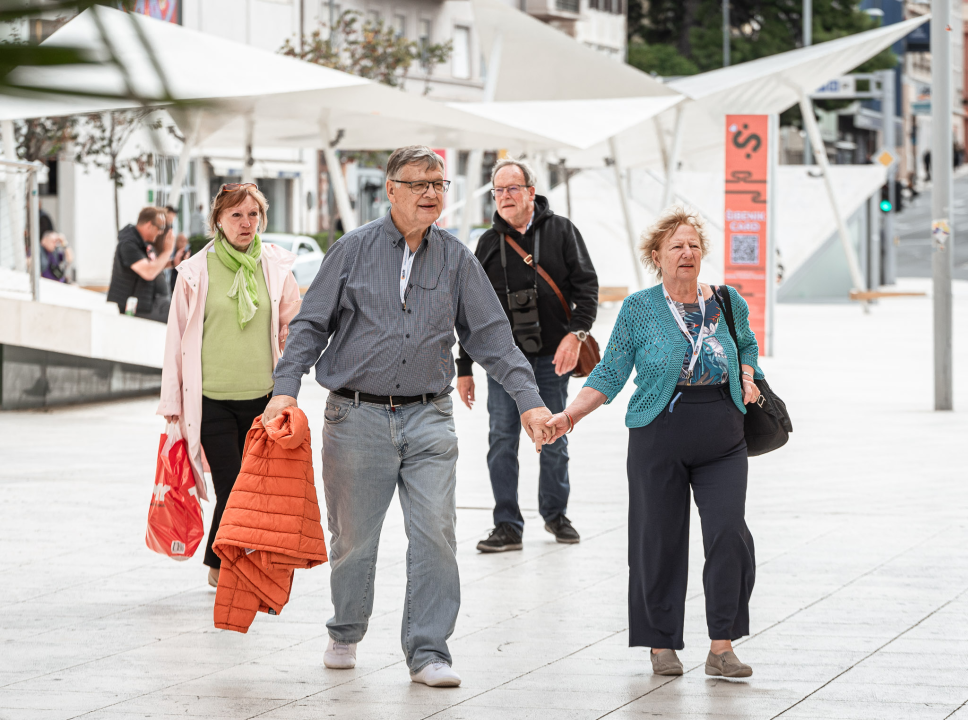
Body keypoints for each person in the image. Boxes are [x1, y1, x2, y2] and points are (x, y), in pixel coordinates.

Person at [263, 146, 554, 688]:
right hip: (356, 417)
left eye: (439, 185)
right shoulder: (351, 250)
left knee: (436, 533)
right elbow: (309, 325)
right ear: (390, 190)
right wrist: (285, 390)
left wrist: (529, 400)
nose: (431, 194)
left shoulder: (456, 258)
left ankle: (428, 651)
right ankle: (346, 629)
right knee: (353, 539)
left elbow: (492, 336)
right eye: (419, 184)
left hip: (429, 418)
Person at [545, 207, 764, 679]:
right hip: (659, 430)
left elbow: (746, 344)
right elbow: (612, 369)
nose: (687, 253)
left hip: (722, 431)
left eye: (693, 245)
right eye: (676, 246)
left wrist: (747, 374)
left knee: (728, 534)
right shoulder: (640, 309)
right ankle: (660, 643)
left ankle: (721, 645)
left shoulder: (727, 300)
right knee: (657, 539)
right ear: (656, 256)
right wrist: (570, 415)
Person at [157, 183, 301, 589]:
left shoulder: (275, 267)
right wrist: (172, 400)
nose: (246, 223)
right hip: (211, 401)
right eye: (236, 215)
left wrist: (290, 361)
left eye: (253, 215)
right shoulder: (195, 271)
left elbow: (293, 323)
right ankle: (223, 564)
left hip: (263, 400)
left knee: (251, 487)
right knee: (233, 484)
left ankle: (220, 561)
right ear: (218, 220)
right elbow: (176, 337)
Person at [455, 157, 598, 553]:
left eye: (512, 188)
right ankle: (507, 525)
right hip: (503, 364)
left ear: (531, 192)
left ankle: (555, 514)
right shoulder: (487, 243)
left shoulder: (562, 232)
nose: (504, 197)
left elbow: (587, 288)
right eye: (498, 191)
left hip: (554, 357)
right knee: (502, 440)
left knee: (554, 435)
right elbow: (467, 309)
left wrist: (576, 336)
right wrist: (463, 367)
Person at [106, 207, 174, 322]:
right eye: (160, 227)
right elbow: (148, 272)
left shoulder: (141, 244)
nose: (161, 232)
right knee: (183, 318)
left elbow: (153, 266)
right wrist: (167, 251)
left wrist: (173, 262)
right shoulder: (128, 245)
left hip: (148, 303)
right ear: (149, 225)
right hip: (137, 307)